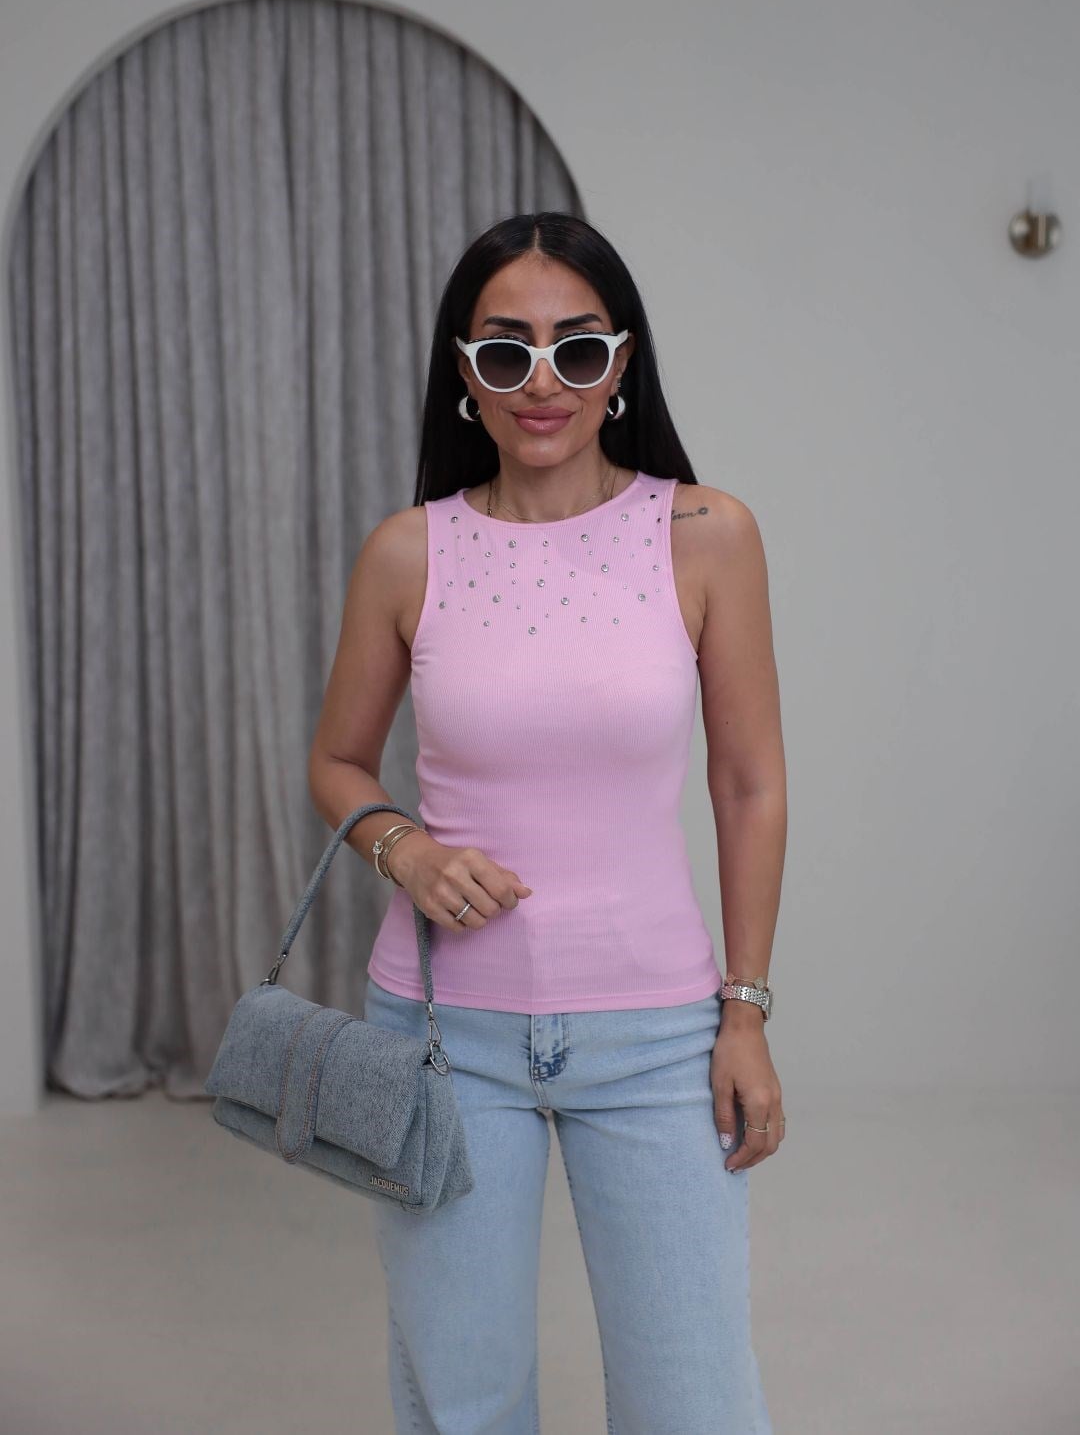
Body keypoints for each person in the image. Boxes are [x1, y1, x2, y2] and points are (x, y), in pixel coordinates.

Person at [307, 211, 785, 1434]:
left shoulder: (707, 535)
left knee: (696, 1405)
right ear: (464, 373)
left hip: (659, 1038)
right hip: (439, 1033)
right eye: (505, 350)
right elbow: (338, 761)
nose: (542, 382)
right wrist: (405, 848)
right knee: (462, 1404)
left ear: (620, 363)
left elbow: (748, 783)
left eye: (576, 348)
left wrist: (744, 1011)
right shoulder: (408, 553)